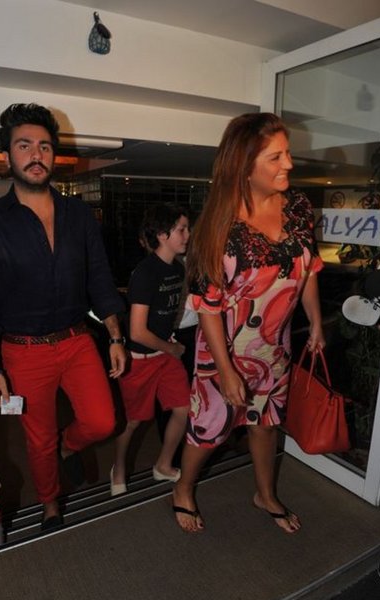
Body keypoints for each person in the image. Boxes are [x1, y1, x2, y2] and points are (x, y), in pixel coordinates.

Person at [0, 103, 126, 530]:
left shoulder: (78, 215)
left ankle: (66, 447)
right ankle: (50, 502)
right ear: (7, 157)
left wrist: (114, 335)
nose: (36, 154)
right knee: (37, 439)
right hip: (23, 351)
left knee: (102, 421)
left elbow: (100, 278)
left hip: (77, 340)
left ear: (54, 155)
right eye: (25, 145)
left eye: (45, 146)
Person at [172, 112, 326, 533]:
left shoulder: (298, 207)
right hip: (224, 350)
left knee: (267, 423)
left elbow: (308, 267)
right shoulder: (218, 226)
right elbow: (207, 306)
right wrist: (224, 371)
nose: (288, 164)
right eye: (275, 157)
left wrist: (315, 321)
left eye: (287, 153)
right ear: (244, 165)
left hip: (275, 346)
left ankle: (265, 494)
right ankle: (183, 487)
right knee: (210, 430)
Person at [110, 203, 191, 495]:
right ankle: (119, 467)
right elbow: (137, 332)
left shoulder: (178, 269)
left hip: (165, 355)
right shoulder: (145, 273)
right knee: (133, 421)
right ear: (162, 235)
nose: (187, 235)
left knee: (184, 408)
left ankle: (163, 465)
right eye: (181, 229)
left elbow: (169, 312)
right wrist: (171, 348)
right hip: (140, 359)